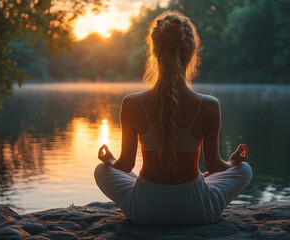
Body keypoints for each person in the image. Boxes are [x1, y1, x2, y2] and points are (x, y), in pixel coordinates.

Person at [94, 10, 252, 226]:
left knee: (101, 171)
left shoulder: (131, 103)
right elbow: (215, 166)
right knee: (244, 169)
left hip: (145, 210)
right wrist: (233, 162)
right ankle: (202, 180)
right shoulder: (209, 105)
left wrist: (109, 160)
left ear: (154, 52)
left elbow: (126, 164)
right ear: (192, 53)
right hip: (197, 209)